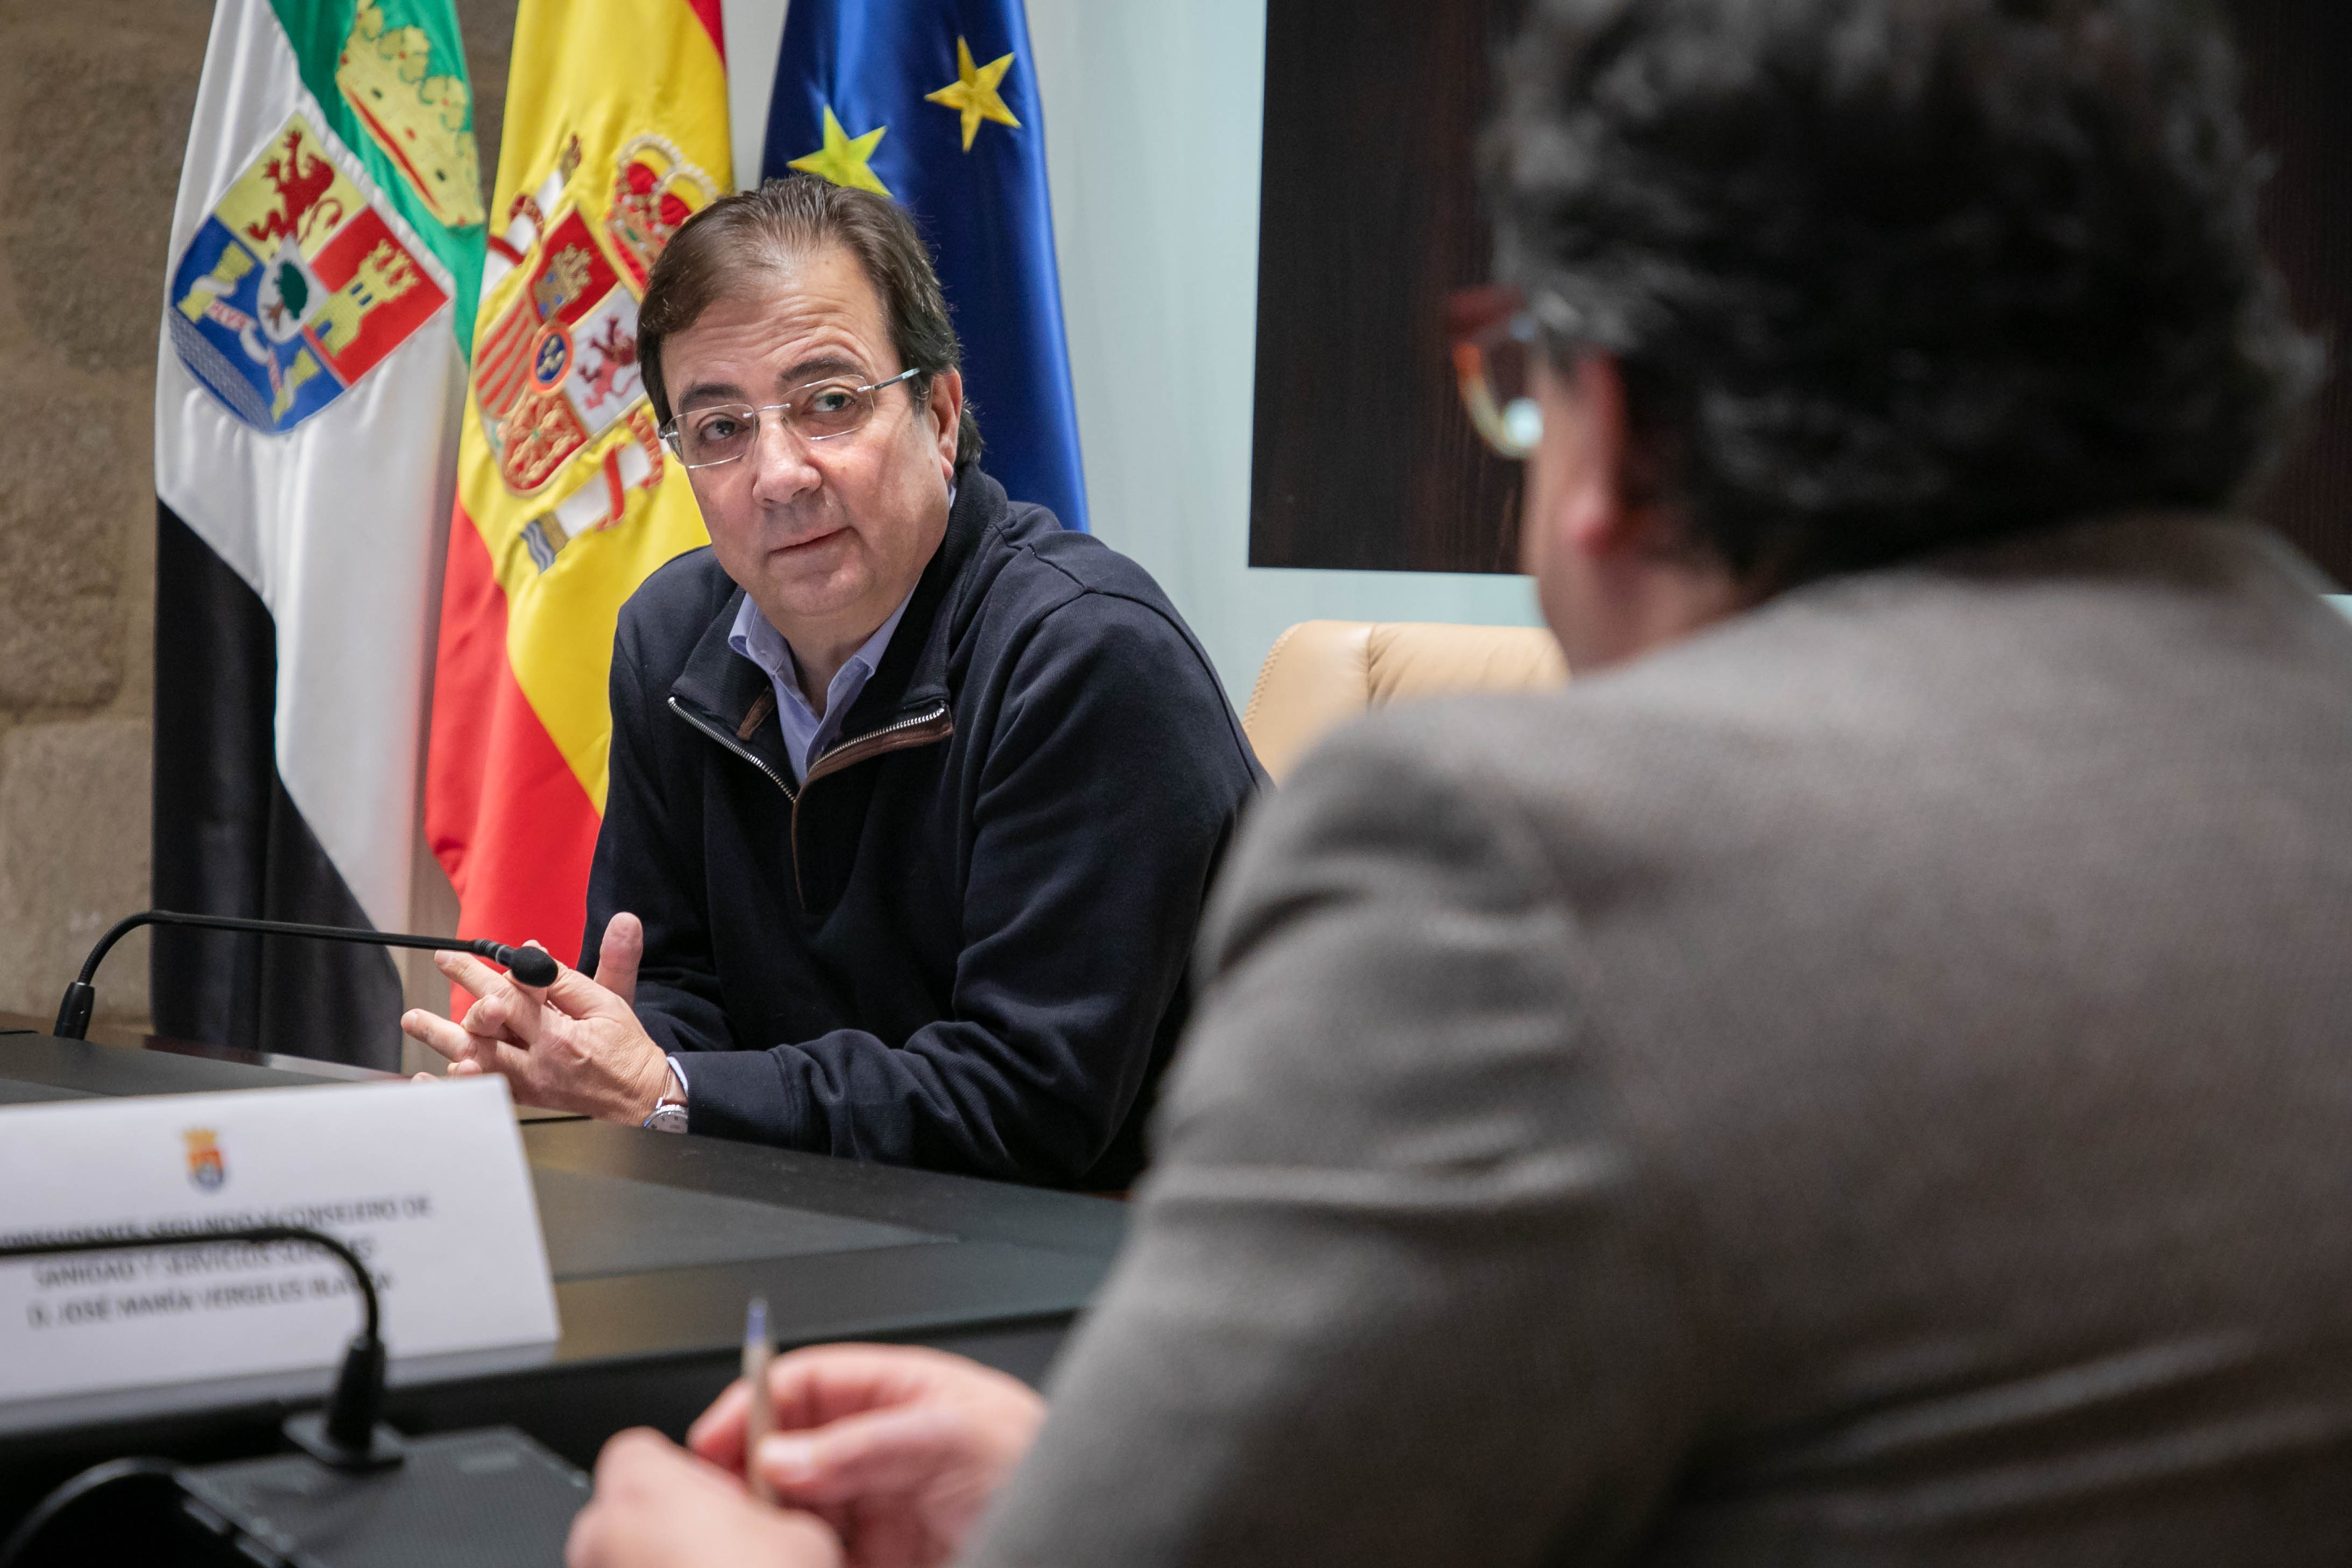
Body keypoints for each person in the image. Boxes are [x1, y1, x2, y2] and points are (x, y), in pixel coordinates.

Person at [567, 0, 2352, 1562]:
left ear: (1617, 441)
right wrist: (1092, 1478)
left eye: (1517, 390)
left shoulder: (1517, 869)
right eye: (720, 426)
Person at [402, 176, 1262, 1188]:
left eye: (830, 403)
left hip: (1129, 1267)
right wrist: (585, 1048)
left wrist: (672, 1090)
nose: (781, 474)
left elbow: (1027, 1103)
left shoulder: (1086, 657)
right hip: (823, 1232)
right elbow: (679, 986)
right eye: (720, 429)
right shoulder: (672, 640)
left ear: (940, 416)